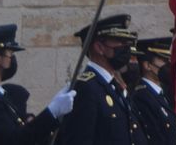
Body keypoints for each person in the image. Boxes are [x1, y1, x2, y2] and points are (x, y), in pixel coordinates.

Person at [0, 24, 76, 145]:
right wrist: (52, 111)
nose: (12, 59)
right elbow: (15, 141)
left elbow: (21, 135)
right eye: (10, 54)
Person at [57, 14, 138, 145]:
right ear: (100, 47)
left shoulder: (113, 86)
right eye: (120, 41)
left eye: (126, 42)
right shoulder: (86, 88)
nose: (126, 47)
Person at [129, 37, 176, 145]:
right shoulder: (142, 96)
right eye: (164, 60)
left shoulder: (164, 92)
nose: (168, 65)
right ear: (147, 65)